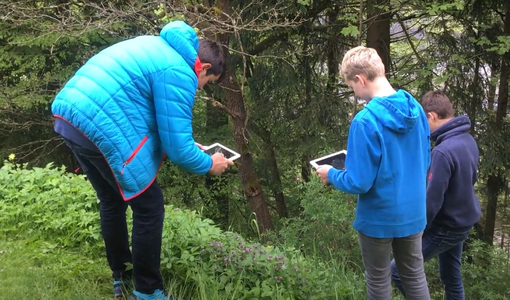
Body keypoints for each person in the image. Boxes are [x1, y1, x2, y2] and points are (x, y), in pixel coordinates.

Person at [51, 20, 234, 300]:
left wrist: (184, 142)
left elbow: (137, 108)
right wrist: (210, 164)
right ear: (205, 68)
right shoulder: (182, 71)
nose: (201, 89)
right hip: (96, 124)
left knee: (112, 201)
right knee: (149, 206)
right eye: (207, 83)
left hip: (70, 115)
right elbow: (179, 152)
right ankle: (147, 291)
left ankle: (121, 277)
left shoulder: (157, 45)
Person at [315, 46, 431, 300]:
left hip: (379, 217)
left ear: (360, 79)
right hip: (413, 211)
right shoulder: (416, 109)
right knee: (414, 276)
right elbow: (424, 158)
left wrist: (332, 174)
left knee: (378, 281)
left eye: (351, 87)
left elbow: (359, 181)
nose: (354, 93)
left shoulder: (365, 121)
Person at [391, 91, 481, 299]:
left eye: (424, 120)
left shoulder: (442, 151)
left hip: (446, 226)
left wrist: (415, 231)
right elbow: (470, 180)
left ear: (431, 116)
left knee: (397, 271)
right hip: (462, 221)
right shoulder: (468, 140)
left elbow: (432, 201)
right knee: (452, 277)